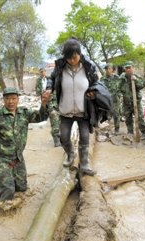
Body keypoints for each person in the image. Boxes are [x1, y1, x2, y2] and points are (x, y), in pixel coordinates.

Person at [46, 38, 107, 176]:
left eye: (74, 57)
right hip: (65, 111)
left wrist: (93, 93)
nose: (72, 61)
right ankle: (70, 155)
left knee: (85, 137)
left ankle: (84, 163)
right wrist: (49, 88)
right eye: (68, 58)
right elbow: (51, 78)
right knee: (64, 137)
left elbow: (97, 84)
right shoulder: (60, 67)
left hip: (83, 111)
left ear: (79, 54)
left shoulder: (89, 67)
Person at [117, 61, 145, 140]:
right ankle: (130, 132)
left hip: (136, 102)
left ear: (132, 68)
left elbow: (142, 85)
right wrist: (120, 95)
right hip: (126, 102)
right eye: (126, 68)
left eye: (129, 68)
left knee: (140, 117)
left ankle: (144, 133)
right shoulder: (122, 78)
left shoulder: (136, 76)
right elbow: (118, 88)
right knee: (128, 118)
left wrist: (136, 80)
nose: (128, 69)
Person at [35, 67, 61, 147]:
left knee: (60, 118)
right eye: (41, 72)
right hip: (47, 99)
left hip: (57, 101)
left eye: (44, 72)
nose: (43, 73)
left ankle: (60, 137)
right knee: (53, 115)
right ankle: (56, 139)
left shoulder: (51, 79)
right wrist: (43, 93)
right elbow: (37, 90)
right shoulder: (39, 80)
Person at [101, 63, 121, 134]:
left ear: (112, 69)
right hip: (106, 100)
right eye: (106, 69)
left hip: (115, 99)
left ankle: (117, 129)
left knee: (116, 114)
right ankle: (108, 129)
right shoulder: (102, 79)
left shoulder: (117, 78)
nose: (108, 70)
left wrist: (119, 95)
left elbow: (121, 87)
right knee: (107, 115)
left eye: (109, 68)